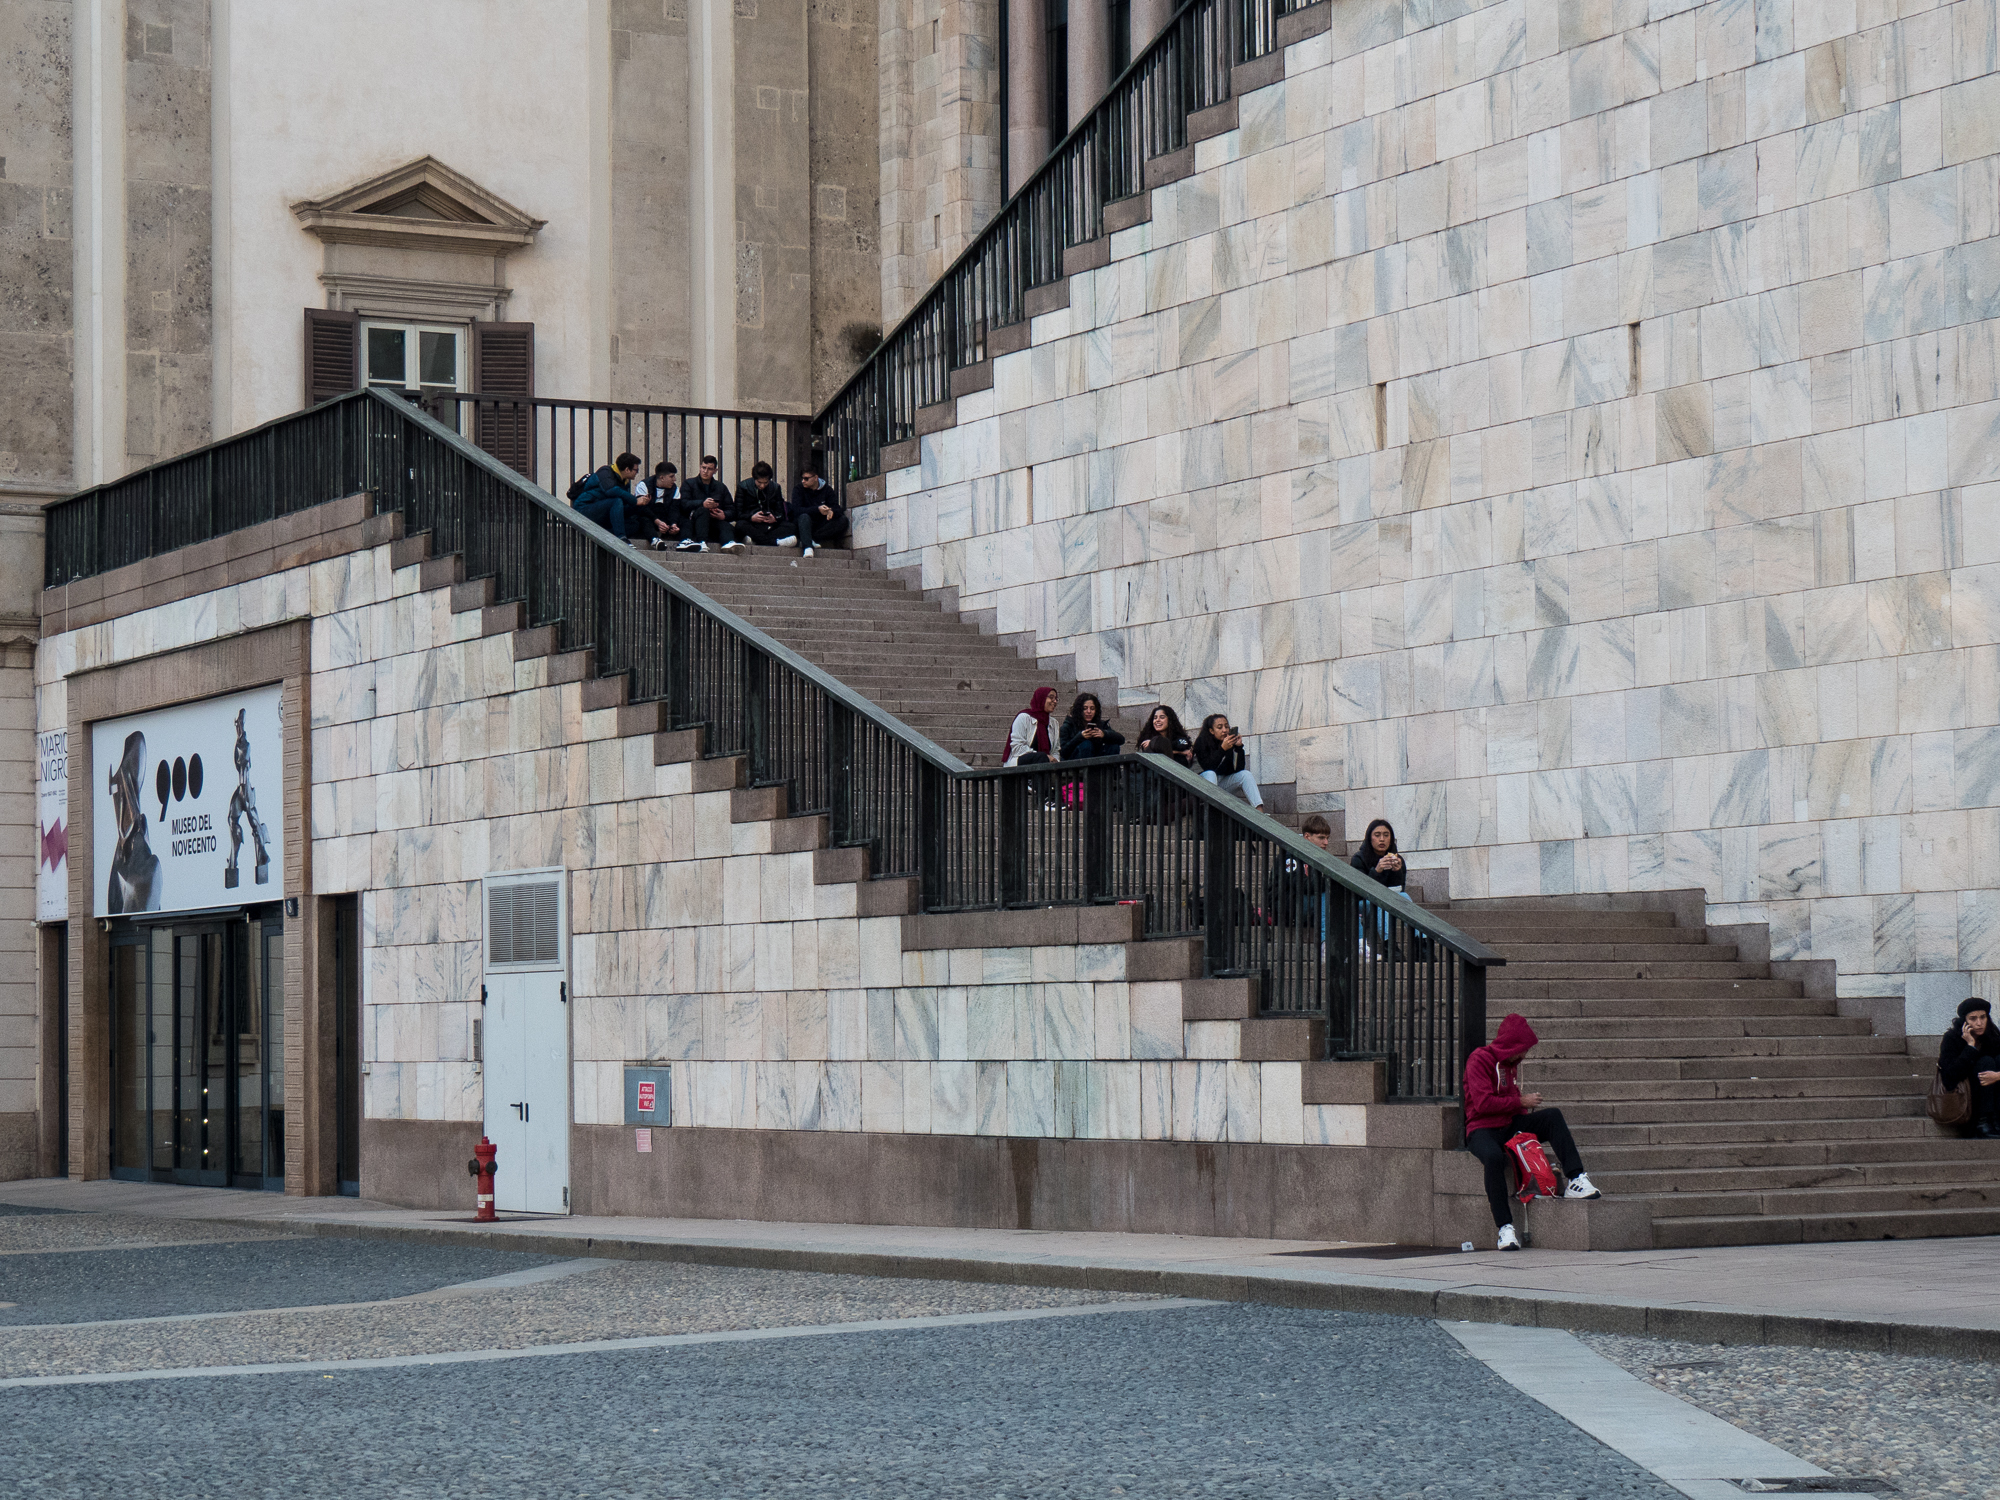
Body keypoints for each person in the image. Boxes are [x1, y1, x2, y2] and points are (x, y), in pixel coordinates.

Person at [1464, 1012, 1602, 1251]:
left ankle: (1576, 1178)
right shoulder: (1480, 1059)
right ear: (1513, 1045)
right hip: (1481, 1129)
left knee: (1552, 1116)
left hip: (1509, 1123)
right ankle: (1505, 1228)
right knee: (1494, 1158)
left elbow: (1512, 1103)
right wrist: (1521, 1102)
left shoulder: (1510, 1066)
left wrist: (1521, 1111)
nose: (1525, 1054)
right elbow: (1483, 1104)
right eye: (1524, 1049)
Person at [1939, 997, 2000, 1139]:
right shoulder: (1952, 1038)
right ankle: (1982, 1122)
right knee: (1986, 1062)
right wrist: (1970, 1047)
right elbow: (1950, 1077)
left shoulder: (1992, 1036)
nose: (1979, 1023)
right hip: (1968, 1095)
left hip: (1991, 1091)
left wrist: (1996, 1076)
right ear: (1964, 1021)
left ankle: (1996, 1120)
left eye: (1983, 1017)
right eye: (1973, 1018)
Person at [1268, 813, 1333, 930]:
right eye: (1321, 838)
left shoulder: (1313, 855)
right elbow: (1301, 885)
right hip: (1286, 907)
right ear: (1307, 837)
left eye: (1327, 838)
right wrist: (1331, 881)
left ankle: (1358, 942)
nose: (1326, 842)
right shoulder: (1291, 854)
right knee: (1326, 897)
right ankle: (1325, 943)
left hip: (1303, 902)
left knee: (1337, 904)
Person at [1193, 713, 1264, 811]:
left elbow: (1237, 769)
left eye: (1226, 726)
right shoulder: (1202, 742)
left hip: (1219, 785)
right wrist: (1222, 749)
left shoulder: (1228, 743)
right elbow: (1208, 766)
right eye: (1219, 727)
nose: (1224, 730)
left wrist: (1238, 748)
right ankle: (1212, 810)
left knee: (1245, 774)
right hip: (1203, 783)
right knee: (1211, 774)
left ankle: (1260, 811)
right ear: (1211, 731)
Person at [777, 466, 848, 556]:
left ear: (815, 478)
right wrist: (817, 509)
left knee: (843, 520)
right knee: (804, 517)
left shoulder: (827, 490)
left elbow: (837, 508)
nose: (803, 481)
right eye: (802, 478)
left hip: (820, 525)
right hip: (804, 522)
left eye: (806, 478)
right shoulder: (798, 489)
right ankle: (808, 547)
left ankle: (810, 539)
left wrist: (831, 511)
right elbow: (796, 510)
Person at [571, 451, 639, 543]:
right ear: (627, 469)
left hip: (602, 512)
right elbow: (610, 490)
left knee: (634, 524)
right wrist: (635, 501)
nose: (637, 473)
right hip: (584, 509)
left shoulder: (624, 481)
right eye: (636, 470)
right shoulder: (605, 472)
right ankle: (621, 538)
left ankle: (603, 535)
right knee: (617, 501)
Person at [682, 454, 741, 552]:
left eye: (709, 469)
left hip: (714, 521)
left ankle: (729, 543)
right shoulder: (689, 483)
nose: (705, 471)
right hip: (694, 521)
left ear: (715, 471)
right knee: (703, 511)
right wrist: (702, 504)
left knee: (725, 525)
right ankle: (702, 542)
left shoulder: (721, 487)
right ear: (700, 467)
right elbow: (683, 504)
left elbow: (732, 509)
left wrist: (724, 515)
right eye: (703, 468)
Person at [640, 461, 696, 551]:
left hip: (666, 517)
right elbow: (643, 509)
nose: (674, 479)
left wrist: (673, 524)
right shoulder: (644, 485)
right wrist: (658, 522)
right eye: (671, 476)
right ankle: (654, 540)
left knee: (685, 520)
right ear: (662, 477)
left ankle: (685, 540)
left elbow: (675, 508)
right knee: (643, 519)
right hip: (651, 518)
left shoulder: (674, 489)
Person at [736, 461, 789, 546]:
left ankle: (756, 540)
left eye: (766, 483)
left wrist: (775, 518)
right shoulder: (743, 486)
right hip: (751, 523)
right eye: (759, 483)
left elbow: (780, 512)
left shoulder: (775, 487)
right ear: (754, 479)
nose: (762, 486)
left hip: (769, 524)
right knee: (740, 525)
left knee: (791, 527)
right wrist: (751, 517)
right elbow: (738, 513)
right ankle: (775, 542)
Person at [1059, 693, 1124, 760]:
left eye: (1092, 709)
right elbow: (1063, 752)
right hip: (1076, 764)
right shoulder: (1068, 726)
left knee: (1113, 746)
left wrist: (1104, 734)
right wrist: (1080, 737)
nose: (1089, 711)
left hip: (1097, 762)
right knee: (1086, 744)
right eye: (1085, 708)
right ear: (1079, 710)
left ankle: (1109, 770)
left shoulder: (1100, 725)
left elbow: (1121, 739)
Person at [1004, 687, 1058, 766]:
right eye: (1051, 697)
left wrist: (1055, 761)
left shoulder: (1054, 723)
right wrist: (1044, 757)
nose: (1055, 701)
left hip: (1044, 765)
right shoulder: (1023, 718)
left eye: (1056, 698)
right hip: (1020, 763)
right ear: (1041, 698)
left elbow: (1055, 750)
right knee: (1042, 757)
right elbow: (1017, 748)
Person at [1351, 818, 1405, 890]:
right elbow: (1360, 888)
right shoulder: (1359, 859)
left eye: (1386, 835)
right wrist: (1376, 871)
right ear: (1369, 838)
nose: (1382, 839)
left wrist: (1397, 872)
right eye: (1377, 835)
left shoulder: (1398, 859)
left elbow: (1400, 889)